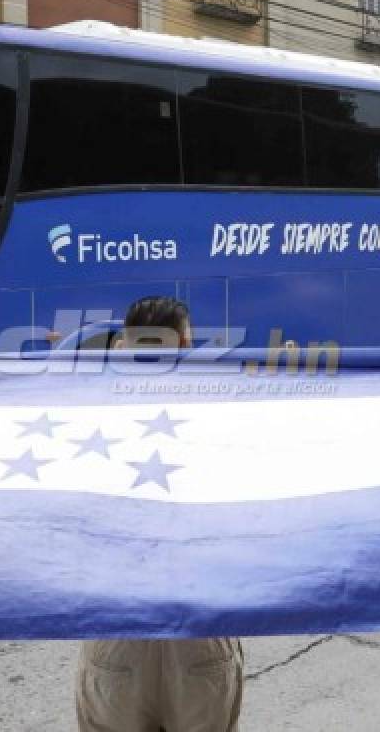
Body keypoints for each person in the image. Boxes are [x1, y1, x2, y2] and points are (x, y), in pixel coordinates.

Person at [75, 295, 244, 732]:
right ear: (186, 341)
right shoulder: (224, 412)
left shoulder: (88, 415)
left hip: (117, 631)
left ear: (125, 343)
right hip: (201, 630)